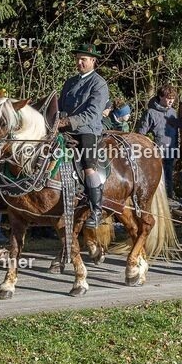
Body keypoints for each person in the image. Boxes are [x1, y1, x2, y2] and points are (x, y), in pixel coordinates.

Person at [58, 43, 111, 227]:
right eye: (78, 59)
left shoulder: (99, 83)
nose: (79, 62)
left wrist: (68, 121)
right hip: (64, 130)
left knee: (89, 166)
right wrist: (57, 118)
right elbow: (60, 105)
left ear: (93, 61)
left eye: (84, 59)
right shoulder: (70, 82)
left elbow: (92, 114)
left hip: (87, 131)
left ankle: (96, 211)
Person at [137, 85, 182, 199]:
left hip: (170, 151)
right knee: (155, 178)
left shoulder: (173, 112)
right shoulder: (150, 113)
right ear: (161, 97)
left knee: (168, 176)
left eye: (173, 98)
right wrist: (149, 147)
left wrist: (176, 150)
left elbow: (175, 134)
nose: (171, 100)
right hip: (154, 154)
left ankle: (170, 196)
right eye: (168, 97)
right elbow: (140, 135)